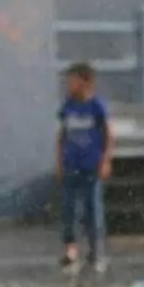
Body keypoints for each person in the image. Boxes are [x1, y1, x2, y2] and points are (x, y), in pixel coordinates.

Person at [55, 62, 115, 273]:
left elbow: (108, 135)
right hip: (71, 165)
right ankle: (70, 249)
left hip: (91, 166)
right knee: (69, 209)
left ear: (85, 81)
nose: (68, 85)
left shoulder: (97, 106)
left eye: (72, 80)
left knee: (92, 209)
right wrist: (59, 162)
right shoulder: (68, 106)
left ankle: (95, 250)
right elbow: (62, 136)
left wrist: (105, 160)